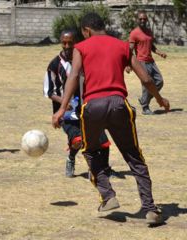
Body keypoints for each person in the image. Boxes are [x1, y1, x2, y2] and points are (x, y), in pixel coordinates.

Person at [52, 13, 170, 224]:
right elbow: (146, 78)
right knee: (133, 155)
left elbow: (73, 75)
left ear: (86, 31)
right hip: (118, 105)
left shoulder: (83, 47)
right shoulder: (123, 46)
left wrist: (61, 109)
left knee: (89, 150)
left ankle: (108, 196)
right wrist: (160, 99)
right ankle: (150, 209)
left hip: (92, 107)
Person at [44, 30, 117, 178]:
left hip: (87, 108)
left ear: (75, 43)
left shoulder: (84, 60)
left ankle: (103, 168)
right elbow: (49, 92)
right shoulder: (54, 65)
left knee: (102, 141)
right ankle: (71, 158)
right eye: (64, 43)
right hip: (66, 112)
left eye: (70, 43)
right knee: (78, 140)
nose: (67, 46)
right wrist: (64, 102)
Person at [127, 10, 167, 115]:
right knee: (146, 84)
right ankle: (145, 108)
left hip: (151, 61)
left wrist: (159, 53)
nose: (142, 21)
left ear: (147, 20)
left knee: (159, 81)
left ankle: (144, 100)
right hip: (141, 62)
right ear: (137, 20)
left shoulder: (149, 31)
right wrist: (128, 64)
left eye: (144, 19)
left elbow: (152, 46)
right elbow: (130, 49)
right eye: (140, 19)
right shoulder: (134, 33)